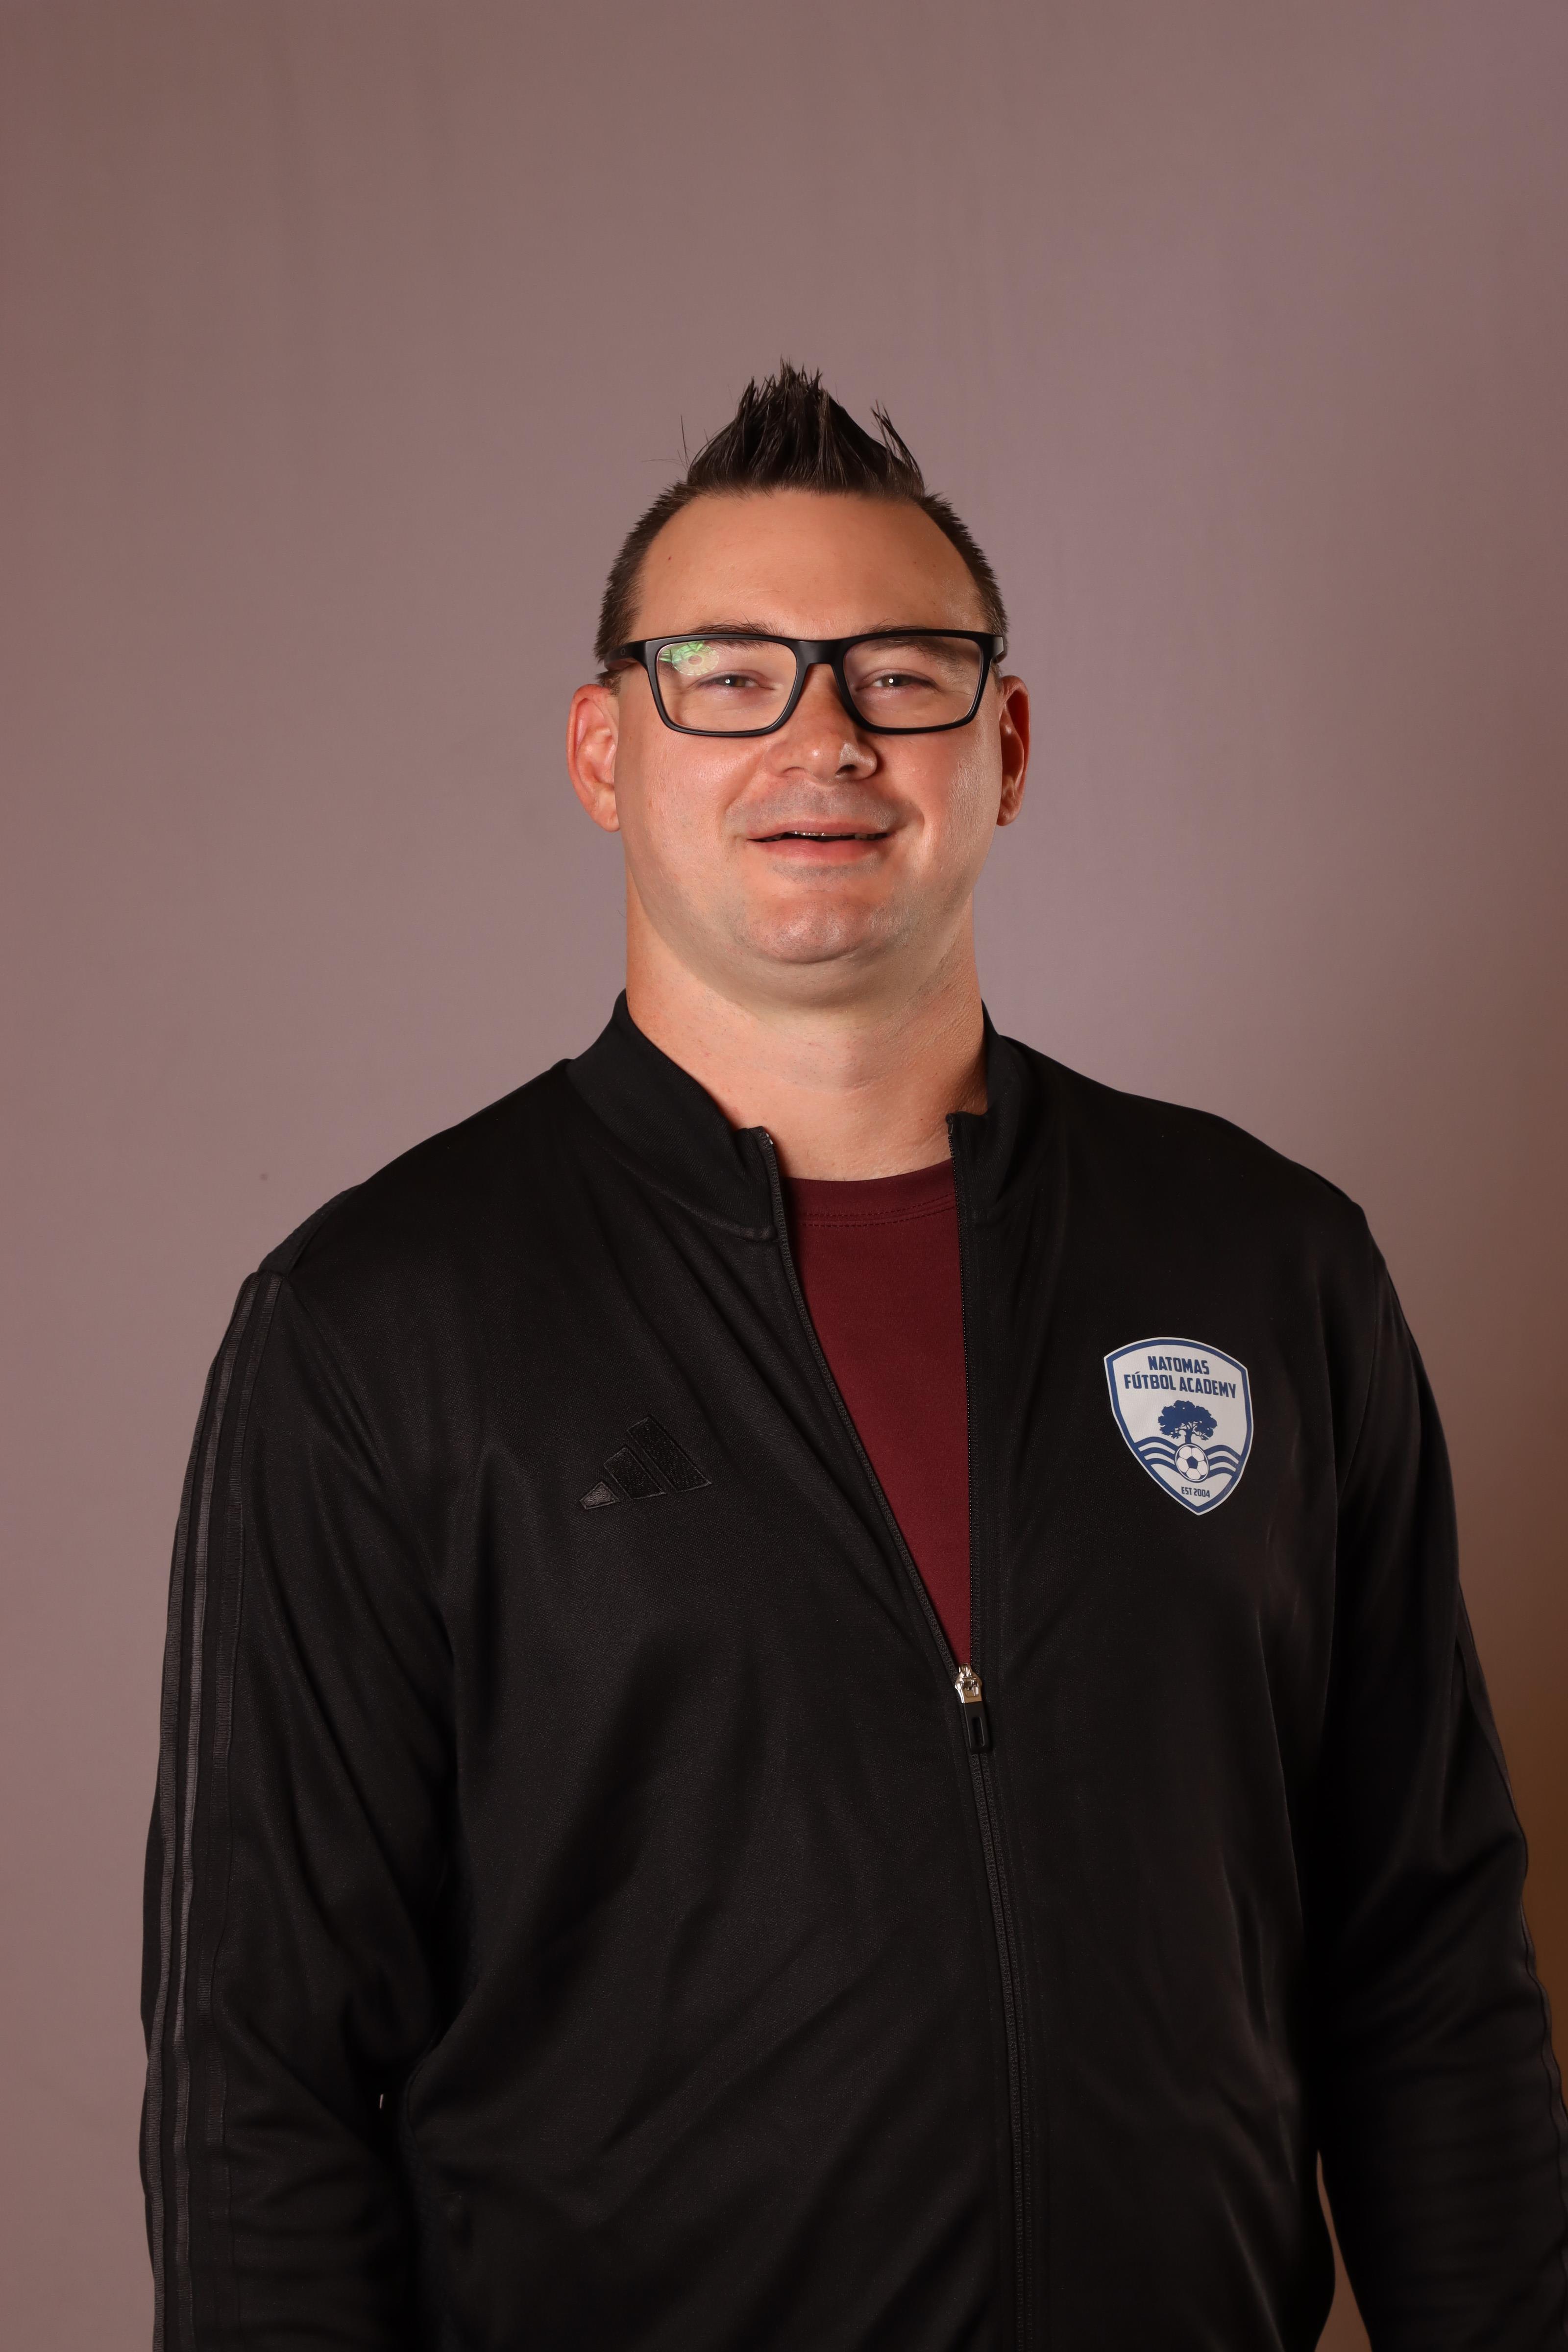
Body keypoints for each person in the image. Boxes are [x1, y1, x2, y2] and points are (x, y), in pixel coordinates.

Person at [142, 365, 1568, 2351]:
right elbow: (260, 2086)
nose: (822, 738)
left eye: (899, 677)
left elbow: (1423, 1966)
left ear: (1005, 746)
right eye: (727, 677)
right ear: (603, 749)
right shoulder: (379, 1324)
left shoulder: (1268, 1263)